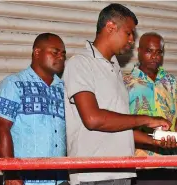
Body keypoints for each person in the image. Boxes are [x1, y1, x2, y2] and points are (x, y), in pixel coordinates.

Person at [62, 4, 171, 185]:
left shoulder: (114, 68)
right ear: (111, 27)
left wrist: (154, 141)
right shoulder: (80, 64)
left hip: (122, 171)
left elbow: (119, 126)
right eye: (128, 33)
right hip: (93, 175)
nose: (131, 40)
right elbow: (93, 119)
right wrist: (146, 119)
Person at [0, 33, 67, 185]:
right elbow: (1, 129)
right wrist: (11, 174)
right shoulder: (14, 84)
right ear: (37, 52)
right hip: (26, 181)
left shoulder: (63, 89)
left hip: (60, 180)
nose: (61, 57)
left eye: (63, 54)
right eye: (55, 52)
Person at [124, 32, 177, 185]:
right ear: (139, 51)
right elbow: (122, 125)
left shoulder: (170, 81)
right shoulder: (126, 82)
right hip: (140, 164)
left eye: (159, 52)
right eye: (149, 51)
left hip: (170, 164)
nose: (155, 56)